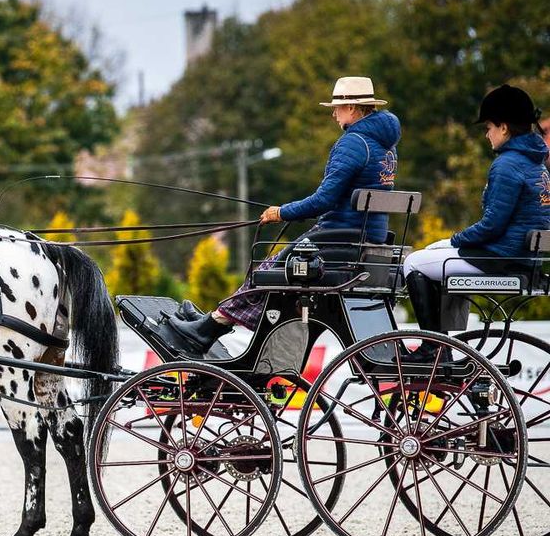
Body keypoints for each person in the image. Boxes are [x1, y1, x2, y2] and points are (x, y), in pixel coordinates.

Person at [171, 76, 402, 351]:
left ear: (351, 108)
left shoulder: (353, 142)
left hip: (338, 240)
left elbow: (324, 199)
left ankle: (212, 325)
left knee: (268, 270)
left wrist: (282, 212)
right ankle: (213, 321)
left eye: (336, 108)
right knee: (273, 265)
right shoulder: (385, 146)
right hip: (369, 241)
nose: (333, 113)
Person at [403, 84, 550, 342]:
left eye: (488, 128)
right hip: (525, 259)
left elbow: (492, 225)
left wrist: (453, 240)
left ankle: (434, 346)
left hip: (500, 259)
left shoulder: (506, 165)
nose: (487, 135)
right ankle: (444, 343)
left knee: (414, 262)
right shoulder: (538, 166)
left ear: (503, 127)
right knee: (434, 258)